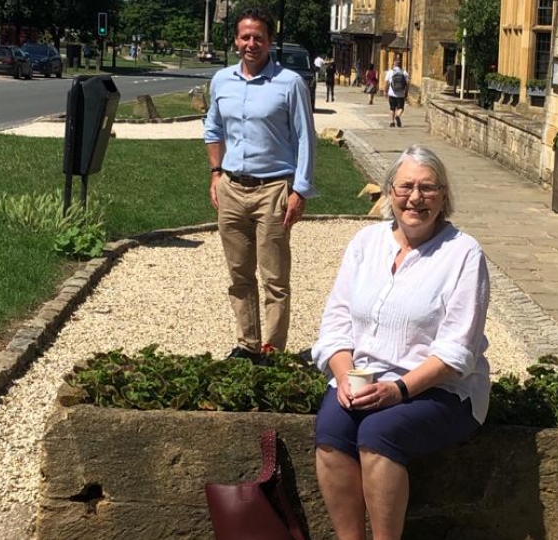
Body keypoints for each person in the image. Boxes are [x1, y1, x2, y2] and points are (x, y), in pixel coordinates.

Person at [312, 145, 491, 540]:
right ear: (389, 192)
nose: (415, 198)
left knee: (379, 434)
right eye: (406, 186)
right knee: (330, 432)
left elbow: (456, 350)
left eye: (428, 188)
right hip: (366, 381)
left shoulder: (463, 254)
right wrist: (343, 376)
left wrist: (398, 390)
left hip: (442, 389)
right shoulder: (365, 243)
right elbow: (336, 323)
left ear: (444, 196)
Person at [204, 6, 316, 361]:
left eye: (258, 38)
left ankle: (273, 350)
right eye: (245, 37)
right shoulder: (221, 81)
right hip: (232, 188)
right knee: (238, 275)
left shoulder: (290, 84)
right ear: (236, 40)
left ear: (269, 42)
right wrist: (216, 172)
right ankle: (247, 344)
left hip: (274, 191)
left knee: (274, 278)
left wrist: (300, 190)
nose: (251, 43)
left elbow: (305, 139)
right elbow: (213, 128)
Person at [384, 59, 409, 128]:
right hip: (401, 94)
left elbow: (387, 83)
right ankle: (397, 115)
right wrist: (406, 92)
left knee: (392, 108)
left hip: (392, 93)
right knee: (401, 107)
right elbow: (407, 84)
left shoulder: (390, 72)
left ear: (394, 65)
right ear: (400, 65)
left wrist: (385, 91)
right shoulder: (404, 72)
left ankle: (392, 122)